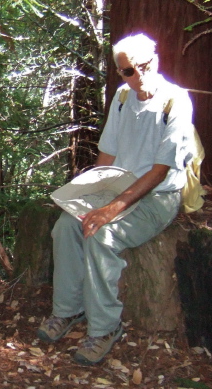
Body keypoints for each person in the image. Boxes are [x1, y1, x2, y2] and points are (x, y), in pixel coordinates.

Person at [37, 33, 194, 365]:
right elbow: (107, 155)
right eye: (127, 71)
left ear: (156, 59)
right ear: (119, 73)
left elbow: (160, 171)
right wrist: (84, 196)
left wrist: (111, 209)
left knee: (101, 237)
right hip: (117, 187)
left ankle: (104, 328)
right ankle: (67, 310)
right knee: (66, 227)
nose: (138, 76)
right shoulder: (123, 98)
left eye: (144, 66)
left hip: (156, 196)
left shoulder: (175, 101)